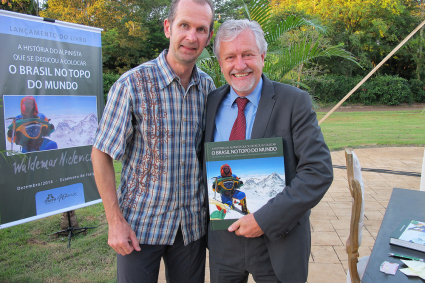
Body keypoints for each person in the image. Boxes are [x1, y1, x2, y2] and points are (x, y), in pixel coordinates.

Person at [91, 0, 215, 282]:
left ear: (208, 37)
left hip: (191, 229)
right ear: (168, 28)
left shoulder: (208, 87)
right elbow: (101, 154)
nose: (191, 36)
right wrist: (115, 222)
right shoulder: (131, 84)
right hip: (139, 227)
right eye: (184, 25)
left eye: (201, 29)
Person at [204, 19, 333, 283]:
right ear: (221, 63)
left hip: (278, 243)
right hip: (223, 245)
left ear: (262, 56)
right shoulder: (210, 103)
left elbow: (317, 171)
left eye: (248, 54)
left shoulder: (294, 102)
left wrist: (265, 219)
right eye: (230, 57)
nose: (240, 65)